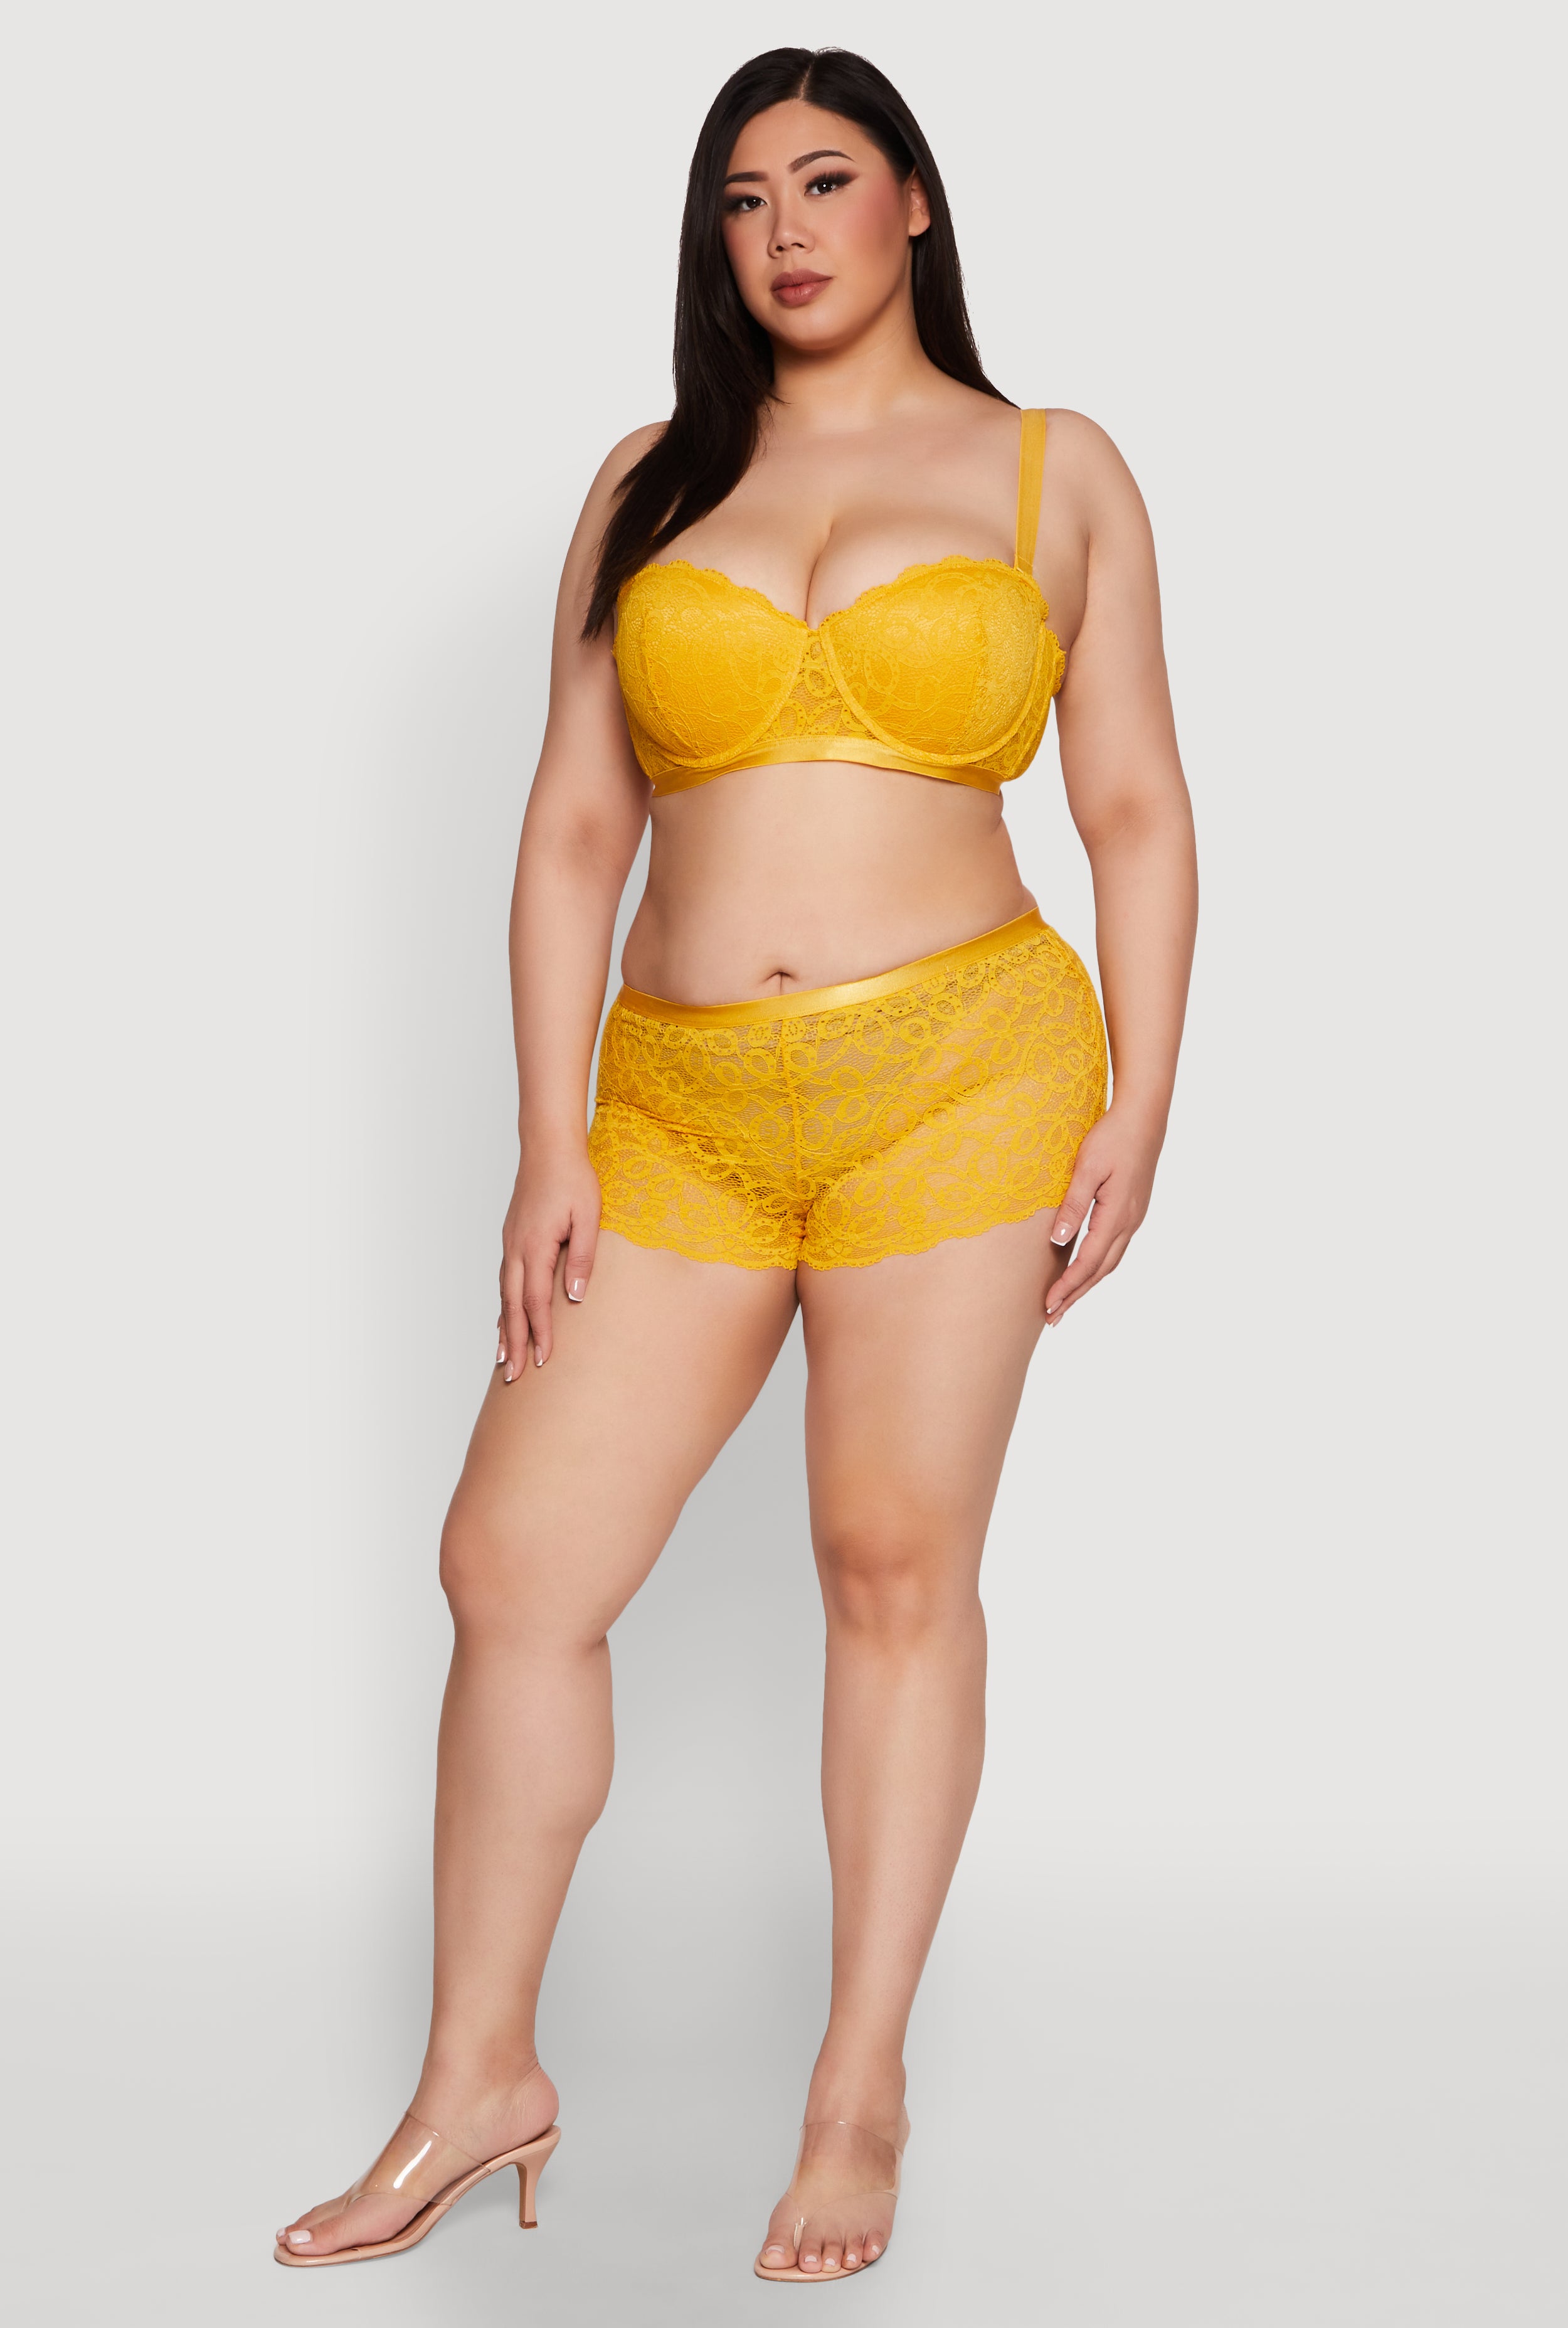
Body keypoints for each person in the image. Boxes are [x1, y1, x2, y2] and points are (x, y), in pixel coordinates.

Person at [275, 43, 1197, 2282]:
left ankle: (856, 2093)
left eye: (824, 180)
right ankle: (477, 2078)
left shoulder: (1051, 469)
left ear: (914, 206)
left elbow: (1134, 809)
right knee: (515, 1569)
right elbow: (571, 828)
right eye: (741, 198)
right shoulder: (651, 479)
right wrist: (544, 1142)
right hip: (675, 1102)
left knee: (886, 1563)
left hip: (960, 1077)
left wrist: (1144, 1099)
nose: (782, 229)